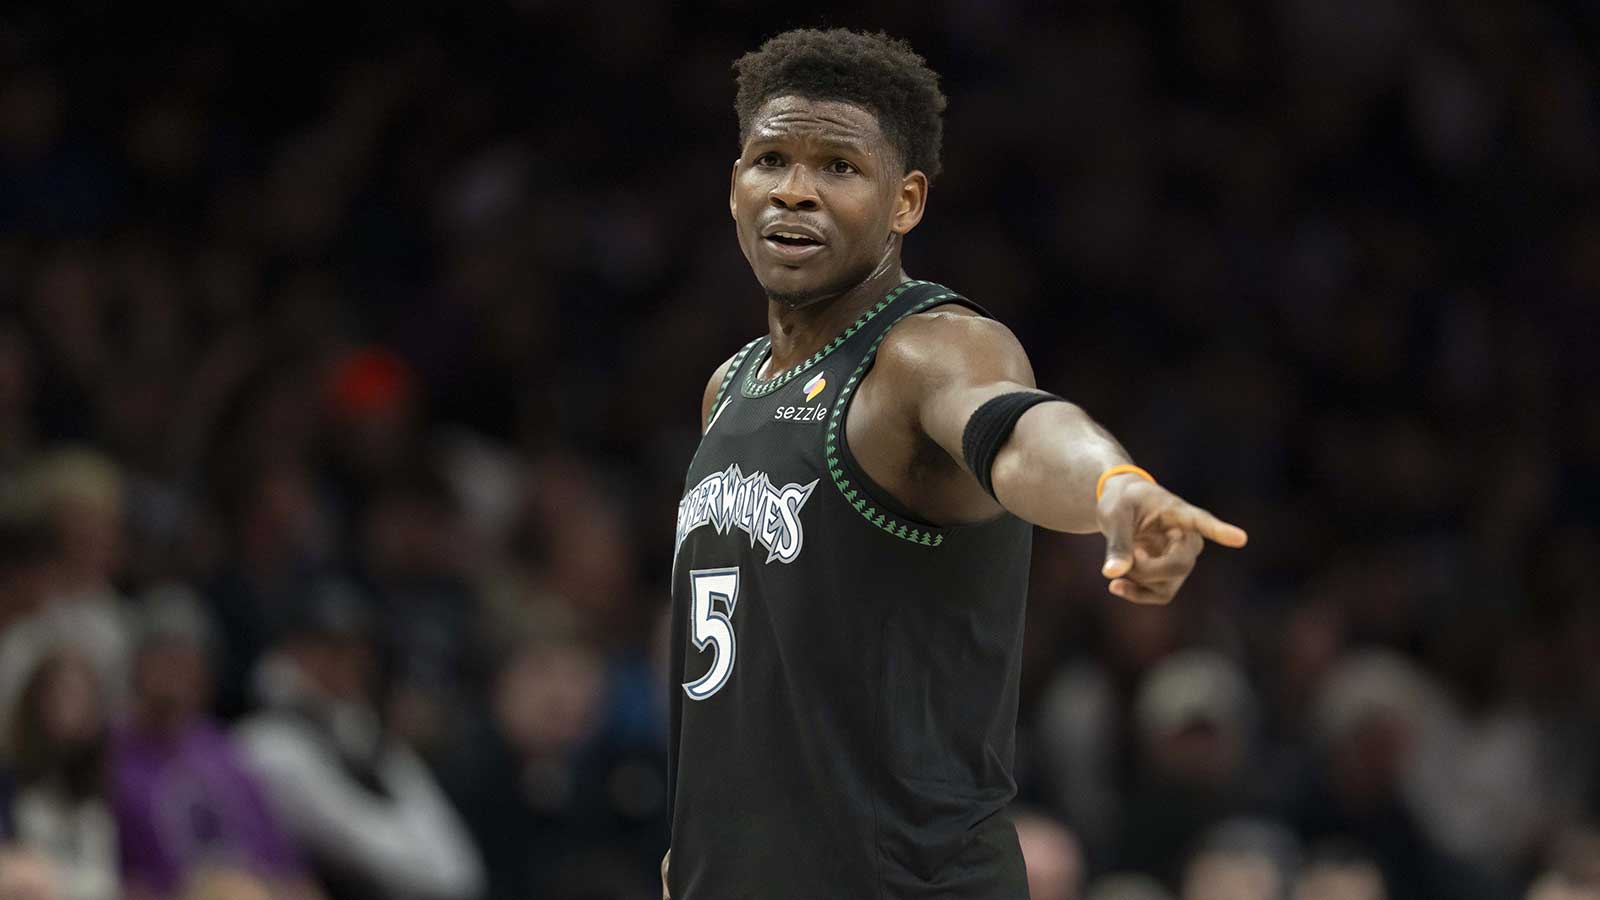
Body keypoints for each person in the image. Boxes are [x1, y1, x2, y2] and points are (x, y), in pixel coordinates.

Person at [664, 28, 1248, 900]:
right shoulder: (730, 387)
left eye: (838, 168)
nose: (795, 192)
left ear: (906, 202)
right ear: (734, 183)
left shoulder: (927, 351)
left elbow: (1014, 432)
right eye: (771, 159)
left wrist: (1113, 486)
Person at [108, 586, 313, 900]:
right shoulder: (110, 757)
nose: (172, 678)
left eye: (184, 661)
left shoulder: (225, 751)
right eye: (162, 660)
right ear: (137, 667)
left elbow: (287, 870)